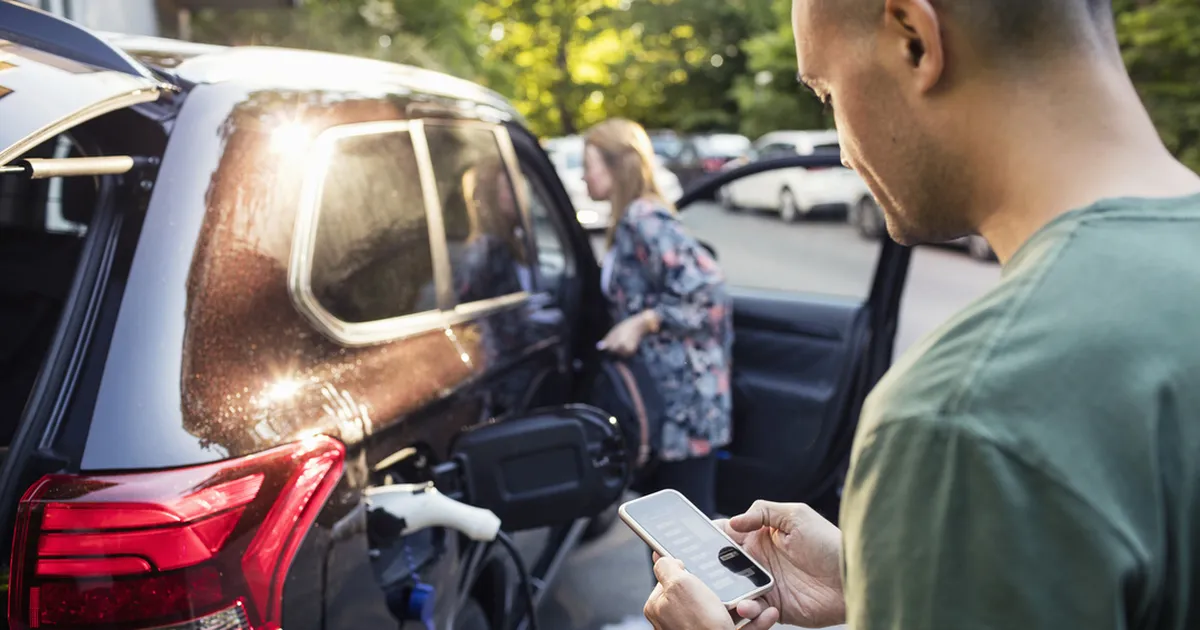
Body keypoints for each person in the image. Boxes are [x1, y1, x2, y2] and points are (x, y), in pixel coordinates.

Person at [644, 0, 1200, 628]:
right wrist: (874, 577)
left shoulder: (964, 414)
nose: (846, 152)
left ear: (915, 38)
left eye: (826, 91)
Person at [584, 118, 734, 520]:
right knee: (670, 531)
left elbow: (709, 291)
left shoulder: (643, 218)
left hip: (683, 405)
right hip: (665, 402)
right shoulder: (630, 219)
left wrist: (643, 321)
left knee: (688, 534)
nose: (583, 176)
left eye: (589, 165)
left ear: (617, 167)